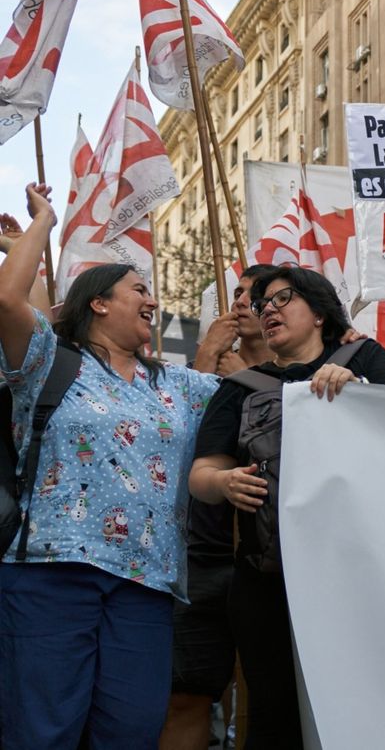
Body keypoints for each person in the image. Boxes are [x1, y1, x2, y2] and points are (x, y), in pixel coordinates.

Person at [0, 184, 233, 747]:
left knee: (131, 728)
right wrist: (41, 225)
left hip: (146, 583)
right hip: (51, 574)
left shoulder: (181, 385)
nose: (152, 300)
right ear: (99, 303)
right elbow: (8, 303)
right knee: (43, 732)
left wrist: (344, 363)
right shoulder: (47, 363)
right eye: (139, 289)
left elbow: (260, 401)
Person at [189, 266, 385, 749]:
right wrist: (223, 483)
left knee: (363, 706)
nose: (267, 308)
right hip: (267, 584)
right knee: (275, 717)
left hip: (362, 580)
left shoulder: (365, 358)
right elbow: (201, 475)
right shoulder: (240, 387)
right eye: (261, 303)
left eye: (283, 298)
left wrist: (363, 390)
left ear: (319, 312)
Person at [161, 263, 276, 750]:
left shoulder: (304, 369)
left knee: (273, 697)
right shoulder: (209, 367)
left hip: (272, 563)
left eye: (258, 295)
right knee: (190, 693)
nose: (244, 302)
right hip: (206, 556)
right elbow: (174, 434)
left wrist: (249, 378)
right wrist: (207, 355)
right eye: (239, 293)